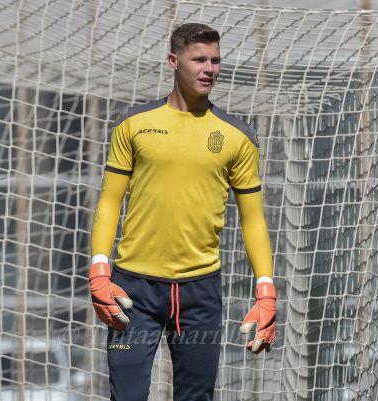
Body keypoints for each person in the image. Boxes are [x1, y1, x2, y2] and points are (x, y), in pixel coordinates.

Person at [88, 23, 276, 401]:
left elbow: (253, 218)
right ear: (174, 61)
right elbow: (109, 201)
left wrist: (266, 291)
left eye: (215, 60)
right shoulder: (134, 124)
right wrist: (99, 270)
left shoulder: (238, 136)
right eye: (199, 59)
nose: (209, 69)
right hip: (133, 291)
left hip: (200, 293)